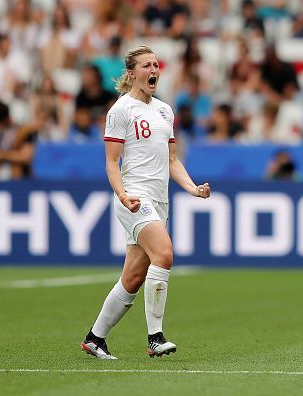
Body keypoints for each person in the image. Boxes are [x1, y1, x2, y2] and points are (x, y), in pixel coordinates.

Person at [81, 45, 211, 360]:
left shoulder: (165, 111)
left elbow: (172, 160)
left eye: (156, 64)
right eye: (146, 65)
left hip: (159, 200)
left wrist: (192, 188)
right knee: (164, 254)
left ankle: (95, 338)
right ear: (132, 73)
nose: (153, 70)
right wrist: (123, 194)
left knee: (134, 277)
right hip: (135, 198)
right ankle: (155, 337)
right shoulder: (121, 110)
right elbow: (112, 163)